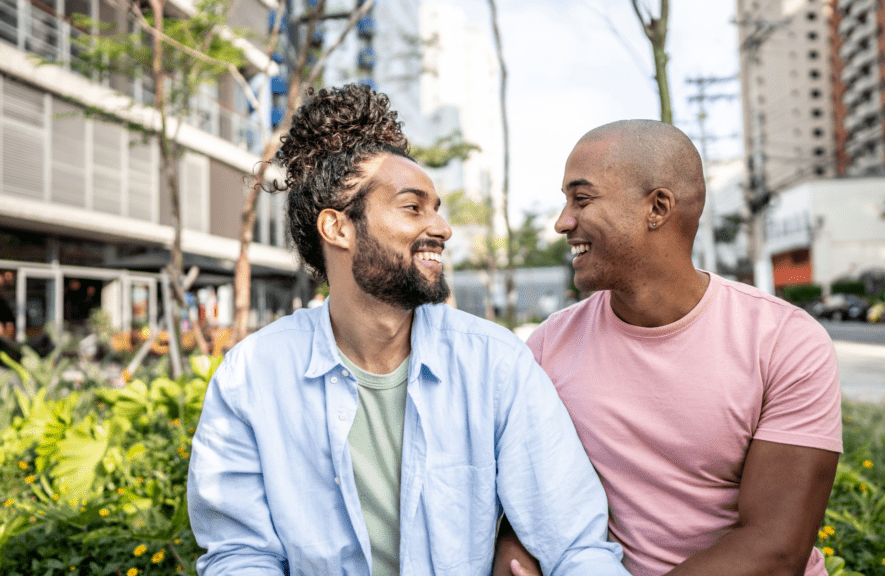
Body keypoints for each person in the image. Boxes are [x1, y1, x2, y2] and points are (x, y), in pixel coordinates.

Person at [187, 85, 630, 576]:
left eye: (436, 208)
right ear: (338, 229)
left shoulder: (495, 364)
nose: (442, 228)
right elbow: (241, 557)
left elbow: (576, 547)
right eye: (413, 207)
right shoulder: (249, 378)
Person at [498, 120, 842, 576]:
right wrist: (513, 552)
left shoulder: (785, 342)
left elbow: (775, 550)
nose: (563, 222)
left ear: (657, 207)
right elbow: (527, 501)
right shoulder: (549, 346)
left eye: (581, 199)